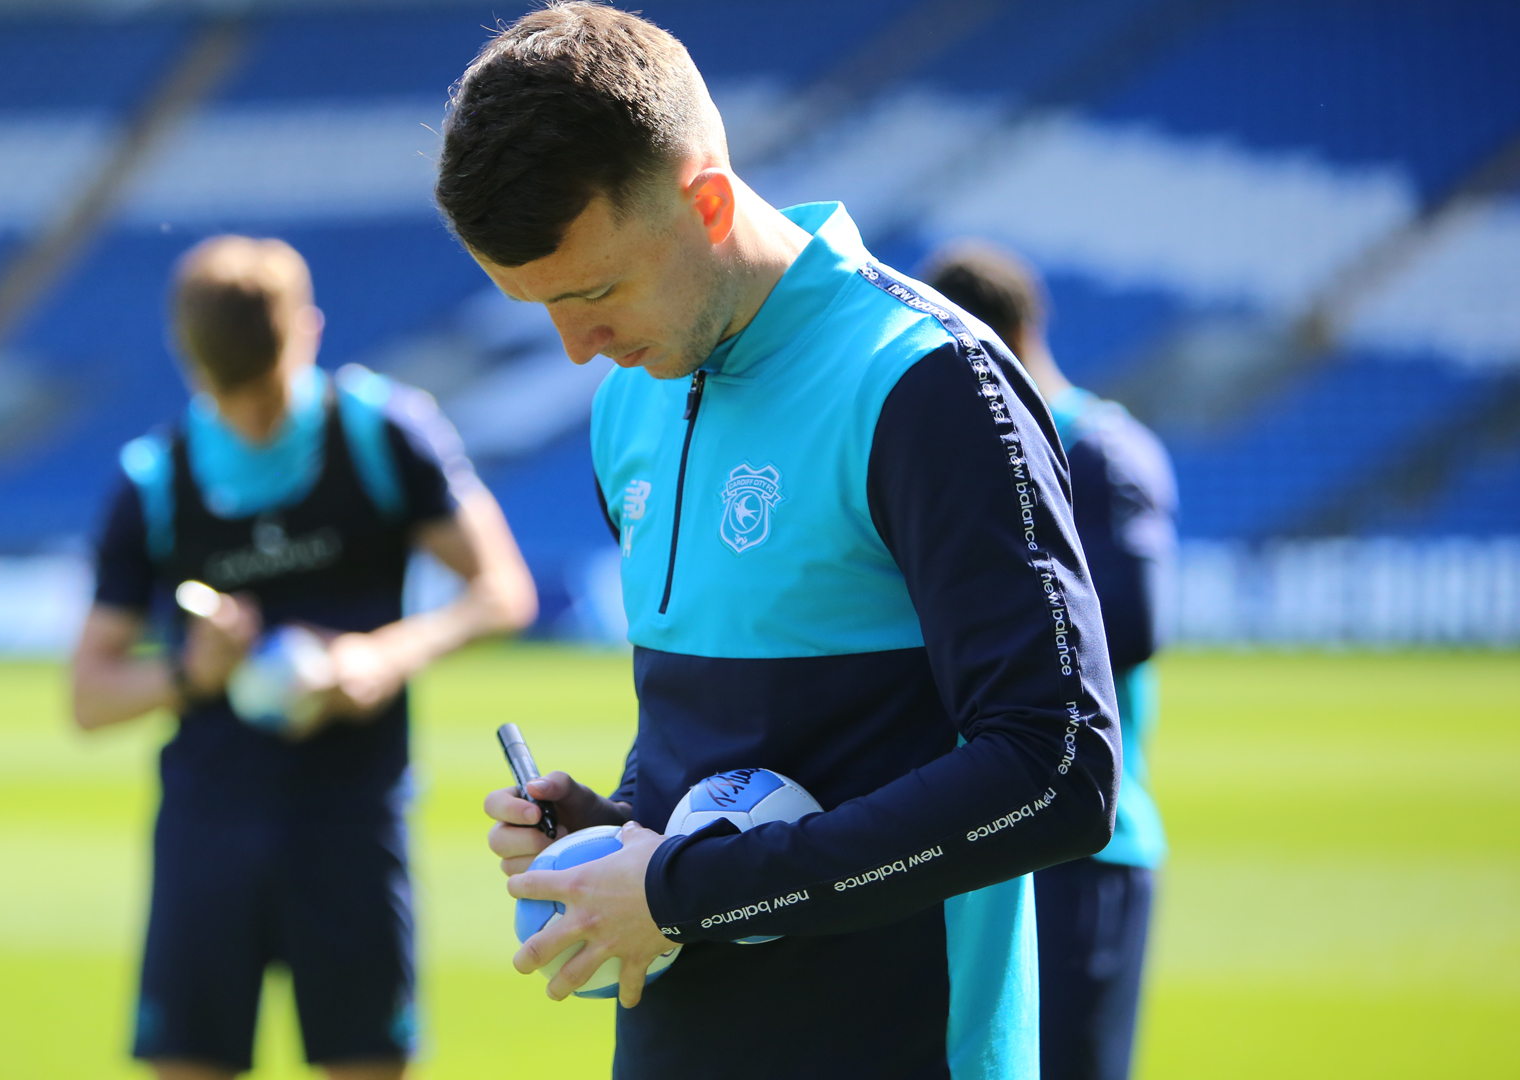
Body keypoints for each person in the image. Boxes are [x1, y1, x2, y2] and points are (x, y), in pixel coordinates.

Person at [441, 4, 1121, 1077]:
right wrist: (619, 829)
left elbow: (1058, 770)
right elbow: (735, 756)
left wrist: (681, 888)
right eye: (541, 311)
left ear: (705, 201)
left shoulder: (925, 381)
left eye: (596, 293)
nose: (579, 351)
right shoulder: (635, 398)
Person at [69, 235, 538, 1080]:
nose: (254, 419)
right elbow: (89, 697)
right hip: (208, 828)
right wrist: (188, 674)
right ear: (190, 364)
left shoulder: (382, 434)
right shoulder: (154, 482)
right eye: (230, 393)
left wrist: (385, 655)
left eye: (269, 391)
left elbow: (502, 590)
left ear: (314, 333)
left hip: (349, 823)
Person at [923, 242, 1177, 1080]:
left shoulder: (1100, 449)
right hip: (971, 828)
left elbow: (1132, 629)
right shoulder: (946, 453)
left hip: (1085, 837)